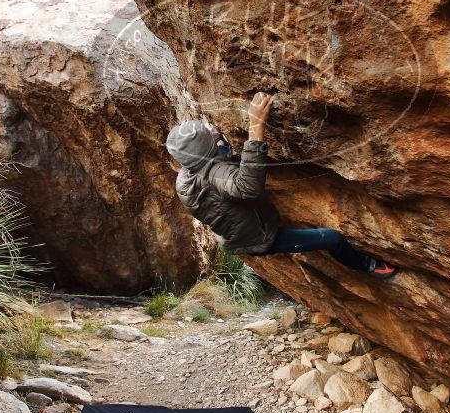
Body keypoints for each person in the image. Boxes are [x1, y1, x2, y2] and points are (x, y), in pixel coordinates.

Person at [165, 92, 398, 278]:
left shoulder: (184, 179)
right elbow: (246, 187)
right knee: (333, 238)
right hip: (261, 239)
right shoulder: (218, 175)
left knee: (222, 154)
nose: (213, 133)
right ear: (207, 155)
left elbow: (212, 169)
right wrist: (256, 126)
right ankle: (363, 265)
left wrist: (215, 144)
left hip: (235, 237)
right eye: (210, 137)